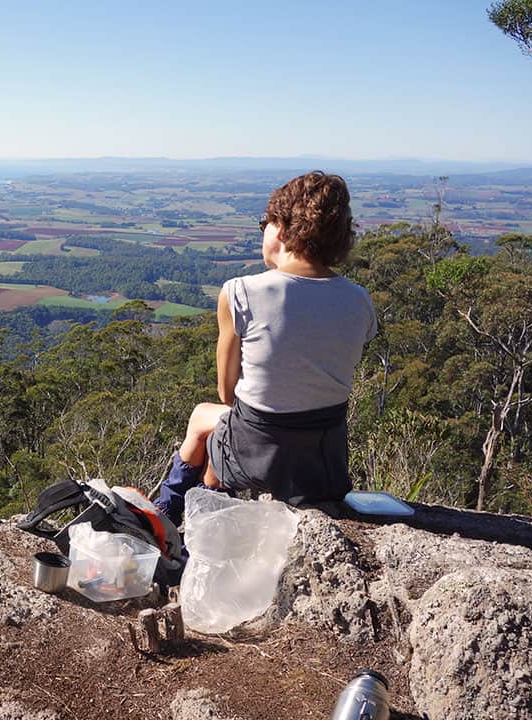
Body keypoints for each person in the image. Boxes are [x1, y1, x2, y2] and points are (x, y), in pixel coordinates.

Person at [156, 171, 377, 525]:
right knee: (231, 428)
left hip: (258, 452)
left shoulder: (240, 292)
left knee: (205, 417)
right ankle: (180, 514)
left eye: (265, 223)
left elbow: (227, 393)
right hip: (326, 464)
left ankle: (170, 514)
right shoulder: (360, 300)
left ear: (282, 227)